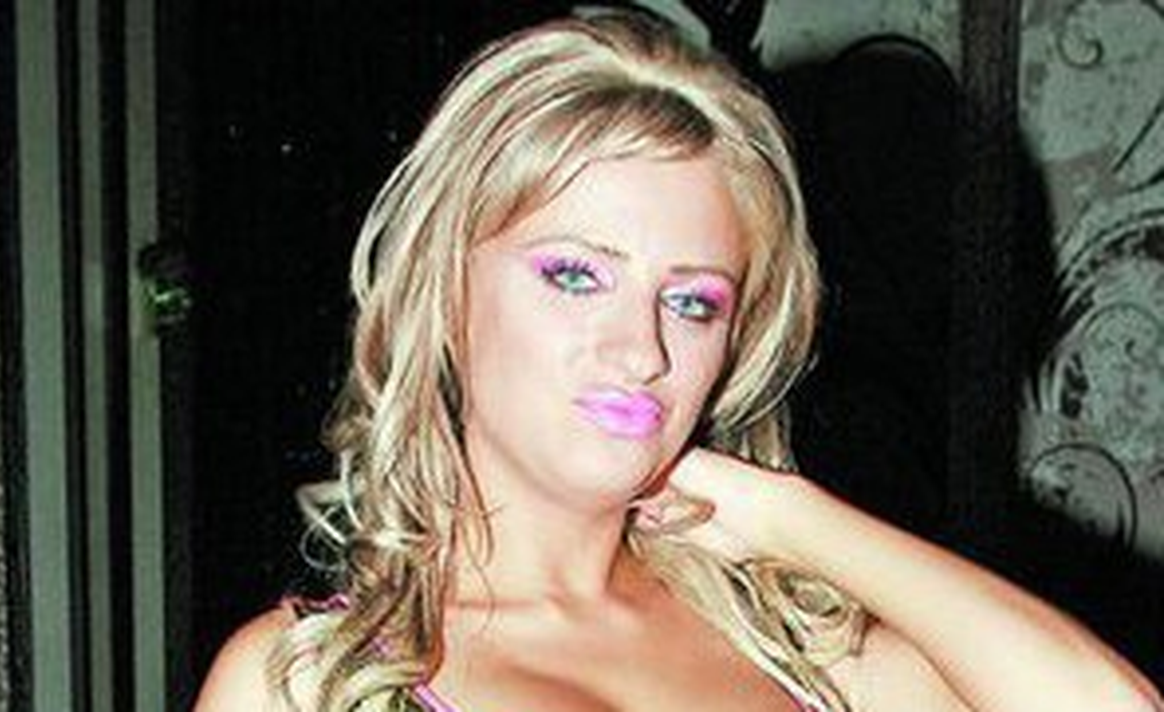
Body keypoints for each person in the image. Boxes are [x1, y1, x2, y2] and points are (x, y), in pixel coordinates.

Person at [194, 10, 1161, 712]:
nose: (642, 349)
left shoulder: (793, 646)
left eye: (692, 302)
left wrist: (794, 520)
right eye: (576, 275)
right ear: (446, 292)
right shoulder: (310, 680)